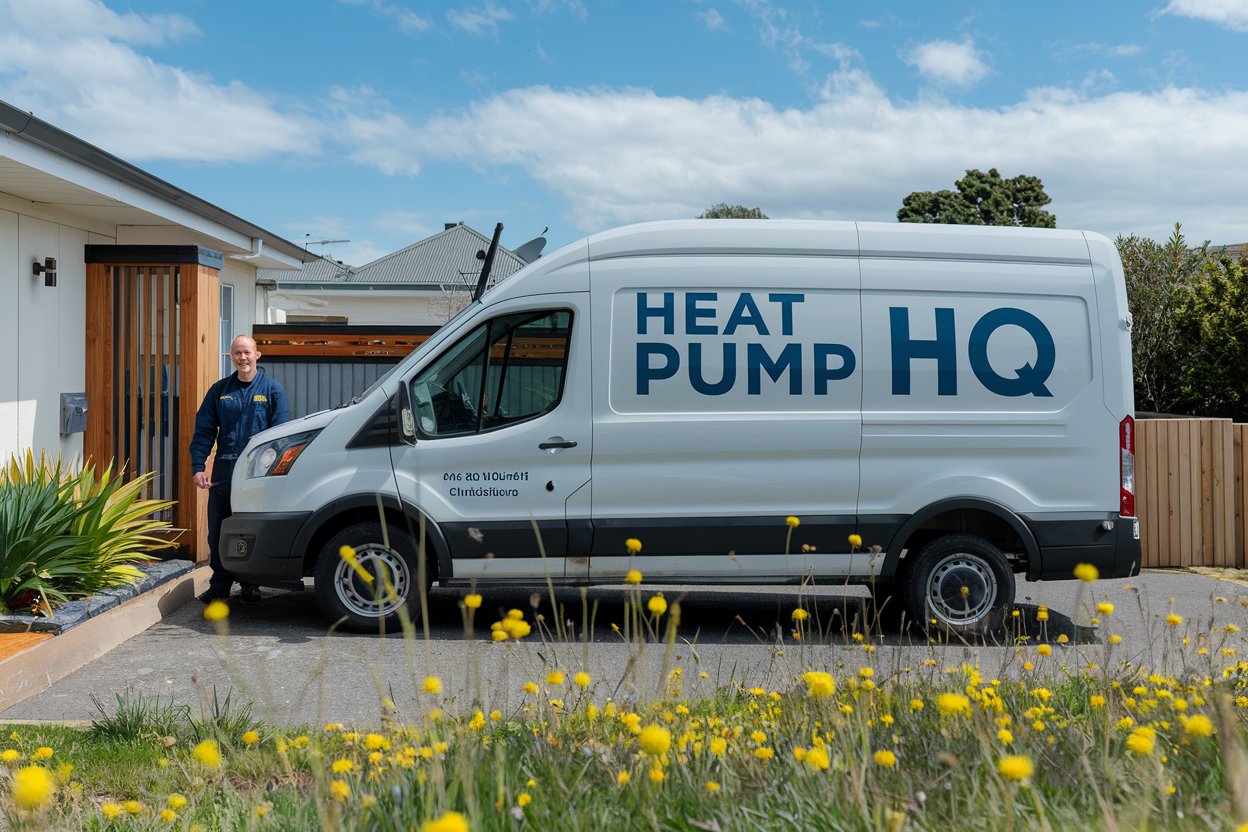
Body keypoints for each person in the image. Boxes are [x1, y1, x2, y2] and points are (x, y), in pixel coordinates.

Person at [190, 334, 290, 603]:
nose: (242, 358)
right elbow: (204, 431)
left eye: (246, 352)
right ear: (231, 357)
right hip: (225, 469)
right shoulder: (220, 391)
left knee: (251, 529)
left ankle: (250, 583)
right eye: (236, 353)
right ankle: (220, 586)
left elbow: (281, 435)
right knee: (219, 530)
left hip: (258, 473)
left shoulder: (272, 390)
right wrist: (198, 466)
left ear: (257, 355)